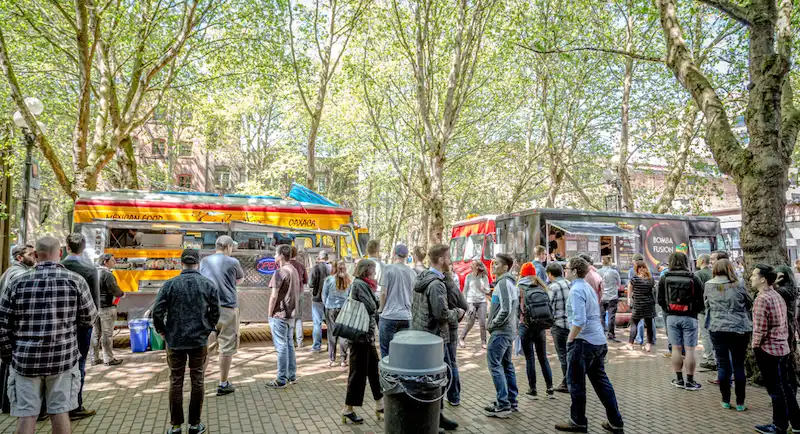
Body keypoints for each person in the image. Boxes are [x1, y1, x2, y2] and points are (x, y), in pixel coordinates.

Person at [0, 236, 97, 434]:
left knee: (26, 416)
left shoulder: (17, 283)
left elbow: (3, 325)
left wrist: (9, 356)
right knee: (60, 413)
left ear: (36, 255)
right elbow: (89, 318)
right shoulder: (76, 281)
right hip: (63, 360)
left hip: (25, 361)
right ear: (60, 253)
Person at [153, 249, 220, 434]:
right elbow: (216, 312)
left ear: (181, 263)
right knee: (197, 380)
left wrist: (161, 330)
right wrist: (208, 328)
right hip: (199, 340)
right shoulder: (208, 284)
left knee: (176, 381)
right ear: (198, 263)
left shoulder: (170, 285)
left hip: (175, 340)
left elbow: (157, 311)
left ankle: (175, 426)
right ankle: (194, 424)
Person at [555, 257, 623, 434]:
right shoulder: (587, 288)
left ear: (575, 271)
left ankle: (578, 421)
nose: (565, 271)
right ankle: (615, 422)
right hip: (598, 341)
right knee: (601, 382)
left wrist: (570, 339)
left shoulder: (577, 290)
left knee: (576, 383)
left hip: (583, 342)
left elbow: (579, 320)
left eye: (567, 268)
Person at [411, 244, 459, 431]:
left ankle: (436, 416)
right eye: (448, 257)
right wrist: (458, 312)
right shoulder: (436, 284)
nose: (451, 261)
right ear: (440, 259)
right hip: (434, 338)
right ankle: (433, 419)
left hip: (422, 336)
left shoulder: (422, 277)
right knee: (436, 379)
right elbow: (442, 315)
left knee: (431, 380)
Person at [751, 264, 800, 434]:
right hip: (782, 347)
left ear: (762, 279)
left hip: (768, 349)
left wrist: (755, 346)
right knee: (785, 386)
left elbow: (760, 329)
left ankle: (779, 425)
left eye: (754, 275)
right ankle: (796, 422)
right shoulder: (776, 295)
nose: (751, 278)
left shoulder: (762, 298)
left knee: (776, 390)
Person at [704, 258, 752, 412]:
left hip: (717, 328)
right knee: (739, 364)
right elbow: (748, 303)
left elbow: (706, 304)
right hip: (739, 328)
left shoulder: (708, 285)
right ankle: (740, 402)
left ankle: (725, 400)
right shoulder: (739, 285)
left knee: (723, 364)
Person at [200, 235, 244, 396]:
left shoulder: (204, 261)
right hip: (227, 309)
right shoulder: (233, 262)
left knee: (205, 347)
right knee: (226, 348)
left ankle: (199, 382)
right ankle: (223, 383)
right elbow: (239, 280)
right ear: (228, 247)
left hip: (207, 310)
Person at [61, 233, 99, 420]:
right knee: (80, 365)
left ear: (67, 247)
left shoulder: (58, 267)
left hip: (57, 326)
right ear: (83, 248)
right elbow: (95, 304)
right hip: (82, 327)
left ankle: (47, 407)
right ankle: (75, 405)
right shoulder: (90, 270)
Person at [341, 260, 383, 425]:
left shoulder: (364, 285)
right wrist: (377, 301)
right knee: (358, 373)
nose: (374, 273)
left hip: (366, 336)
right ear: (366, 270)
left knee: (373, 370)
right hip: (360, 336)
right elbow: (372, 306)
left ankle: (380, 404)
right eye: (373, 270)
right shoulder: (360, 284)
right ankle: (348, 409)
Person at [657, 252, 704, 391]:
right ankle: (690, 381)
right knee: (690, 350)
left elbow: (659, 299)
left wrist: (668, 309)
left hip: (671, 316)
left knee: (676, 349)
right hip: (690, 316)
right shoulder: (693, 278)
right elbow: (700, 300)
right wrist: (694, 311)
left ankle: (679, 379)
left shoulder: (664, 278)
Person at [483, 253, 520, 418]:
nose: (493, 266)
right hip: (507, 331)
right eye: (493, 264)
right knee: (507, 365)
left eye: (497, 264)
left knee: (495, 366)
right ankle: (510, 402)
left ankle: (504, 405)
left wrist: (492, 324)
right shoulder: (507, 283)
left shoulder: (504, 283)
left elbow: (506, 309)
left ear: (505, 267)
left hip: (501, 332)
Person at [0, 244, 34, 414]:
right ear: (20, 257)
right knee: (11, 368)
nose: (34, 256)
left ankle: (5, 404)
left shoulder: (10, 271)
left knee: (7, 366)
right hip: (13, 327)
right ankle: (10, 404)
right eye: (30, 254)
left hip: (9, 326)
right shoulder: (19, 274)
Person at [266, 245, 302, 389]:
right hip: (291, 315)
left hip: (279, 314)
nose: (274, 256)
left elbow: (274, 295)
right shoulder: (293, 270)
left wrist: (269, 314)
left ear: (281, 255)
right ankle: (291, 375)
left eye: (275, 253)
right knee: (289, 345)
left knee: (281, 347)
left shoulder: (280, 272)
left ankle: (281, 379)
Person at [517, 263, 554, 399]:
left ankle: (533, 389)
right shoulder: (542, 287)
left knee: (530, 359)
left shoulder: (519, 288)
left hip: (525, 326)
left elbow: (516, 309)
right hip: (540, 327)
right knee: (543, 358)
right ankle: (550, 389)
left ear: (522, 274)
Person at [378, 244, 417, 359]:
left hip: (389, 316)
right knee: (403, 352)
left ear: (394, 253)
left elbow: (383, 292)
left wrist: (381, 309)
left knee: (386, 352)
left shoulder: (388, 269)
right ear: (406, 256)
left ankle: (388, 376)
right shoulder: (412, 273)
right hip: (406, 316)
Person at [93, 254, 124, 366]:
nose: (114, 262)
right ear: (105, 262)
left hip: (95, 308)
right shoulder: (107, 274)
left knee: (96, 334)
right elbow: (115, 290)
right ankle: (108, 359)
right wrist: (122, 294)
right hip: (107, 307)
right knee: (107, 334)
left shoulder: (93, 273)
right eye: (112, 260)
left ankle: (94, 358)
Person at [443, 265, 467, 406]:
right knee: (452, 361)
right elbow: (464, 306)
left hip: (443, 328)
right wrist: (457, 317)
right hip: (452, 328)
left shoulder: (438, 286)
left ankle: (451, 395)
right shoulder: (453, 287)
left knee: (446, 362)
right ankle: (454, 396)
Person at [774, 265, 799, 392]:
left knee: (784, 362)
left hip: (785, 328)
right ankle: (791, 390)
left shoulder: (781, 291)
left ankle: (788, 391)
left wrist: (774, 282)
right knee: (788, 361)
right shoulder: (791, 289)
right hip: (790, 326)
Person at [548, 262, 571, 394]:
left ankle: (567, 383)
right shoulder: (570, 284)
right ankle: (573, 380)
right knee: (571, 354)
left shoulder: (553, 287)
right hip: (572, 325)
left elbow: (549, 307)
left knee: (563, 355)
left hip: (559, 325)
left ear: (550, 274)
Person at [322, 260, 350, 367]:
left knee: (332, 334)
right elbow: (350, 295)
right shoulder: (348, 280)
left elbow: (324, 296)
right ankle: (343, 360)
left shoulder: (329, 280)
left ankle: (332, 359)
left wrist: (327, 305)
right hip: (344, 309)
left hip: (331, 309)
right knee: (343, 335)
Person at [625, 260, 656, 352]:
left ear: (637, 269)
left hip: (638, 305)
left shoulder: (634, 279)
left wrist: (629, 299)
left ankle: (630, 344)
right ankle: (648, 345)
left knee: (634, 324)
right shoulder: (650, 279)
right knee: (649, 325)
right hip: (649, 305)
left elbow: (630, 288)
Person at [459, 260, 490, 349]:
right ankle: (461, 338)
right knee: (470, 322)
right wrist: (466, 304)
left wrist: (483, 288)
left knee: (482, 323)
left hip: (481, 302)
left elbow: (488, 291)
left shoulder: (484, 277)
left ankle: (484, 341)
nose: (471, 266)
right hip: (471, 301)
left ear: (477, 267)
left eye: (473, 265)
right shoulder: (468, 276)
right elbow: (464, 291)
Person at [695, 254, 717, 371]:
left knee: (705, 334)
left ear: (702, 261)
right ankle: (714, 357)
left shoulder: (699, 274)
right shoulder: (713, 273)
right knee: (713, 333)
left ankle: (710, 359)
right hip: (715, 308)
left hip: (703, 308)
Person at [308, 250, 330, 353]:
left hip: (317, 299)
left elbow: (310, 283)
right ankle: (331, 346)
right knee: (330, 323)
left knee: (317, 323)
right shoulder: (331, 268)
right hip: (330, 300)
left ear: (318, 258)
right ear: (327, 258)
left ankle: (316, 346)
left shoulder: (315, 268)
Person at [289, 246, 309, 348]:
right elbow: (306, 280)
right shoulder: (301, 265)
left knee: (289, 317)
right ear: (296, 254)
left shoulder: (285, 266)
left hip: (288, 294)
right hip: (300, 292)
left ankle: (290, 342)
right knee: (298, 317)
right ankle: (300, 341)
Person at [598, 256, 620, 342]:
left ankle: (601, 333)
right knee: (611, 316)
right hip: (613, 297)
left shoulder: (598, 272)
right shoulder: (614, 272)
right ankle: (611, 334)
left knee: (601, 316)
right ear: (610, 262)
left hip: (602, 297)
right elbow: (619, 283)